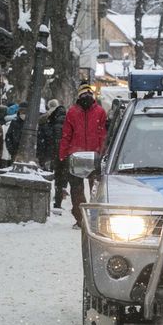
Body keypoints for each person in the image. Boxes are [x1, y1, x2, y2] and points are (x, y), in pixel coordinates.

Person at [59, 85, 107, 228]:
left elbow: (67, 135)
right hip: (92, 155)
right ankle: (91, 218)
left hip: (78, 155)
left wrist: (63, 154)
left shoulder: (73, 111)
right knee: (94, 189)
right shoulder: (99, 111)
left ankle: (82, 219)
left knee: (79, 189)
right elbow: (102, 135)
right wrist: (102, 152)